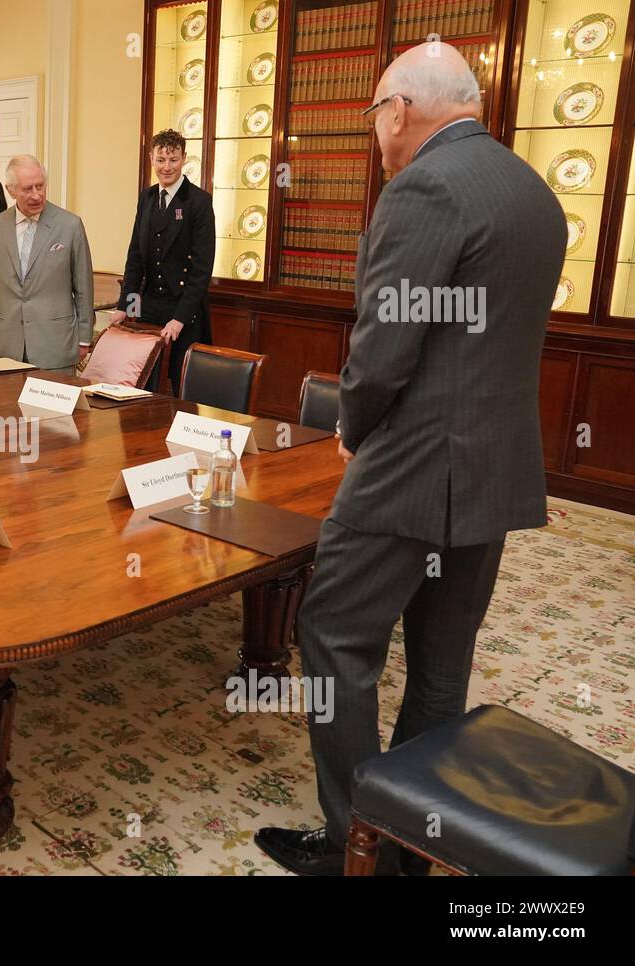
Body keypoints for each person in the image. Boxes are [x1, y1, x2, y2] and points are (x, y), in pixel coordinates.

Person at [254, 42, 567, 876]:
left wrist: (353, 425)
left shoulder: (423, 186)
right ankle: (408, 845)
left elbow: (385, 350)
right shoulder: (530, 188)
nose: (375, 136)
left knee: (332, 637)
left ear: (399, 109)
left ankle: (355, 842)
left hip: (412, 468)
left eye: (373, 118)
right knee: (439, 659)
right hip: (493, 467)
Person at [109, 128, 215, 391]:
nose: (166, 167)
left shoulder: (198, 202)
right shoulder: (146, 198)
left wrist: (179, 319)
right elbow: (135, 257)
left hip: (184, 311)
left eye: (173, 160)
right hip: (149, 308)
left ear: (184, 159)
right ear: (151, 159)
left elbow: (202, 270)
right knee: (143, 383)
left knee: (182, 388)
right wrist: (126, 306)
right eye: (161, 160)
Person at [0, 155, 94, 370]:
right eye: (27, 189)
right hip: (6, 345)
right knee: (7, 404)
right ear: (11, 190)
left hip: (56, 345)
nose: (36, 195)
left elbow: (83, 286)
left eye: (40, 186)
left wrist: (84, 337)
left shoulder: (70, 226)